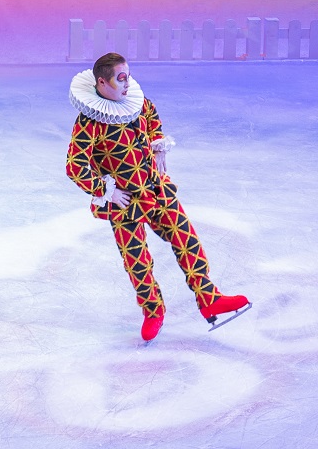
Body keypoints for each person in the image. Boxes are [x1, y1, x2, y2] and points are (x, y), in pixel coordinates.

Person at [65, 52, 251, 342]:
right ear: (102, 82)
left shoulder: (138, 104)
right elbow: (75, 165)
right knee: (137, 259)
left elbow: (151, 118)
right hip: (125, 202)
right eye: (121, 78)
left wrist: (158, 144)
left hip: (157, 189)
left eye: (128, 75)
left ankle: (209, 298)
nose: (128, 83)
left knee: (187, 239)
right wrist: (107, 191)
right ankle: (153, 311)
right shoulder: (90, 122)